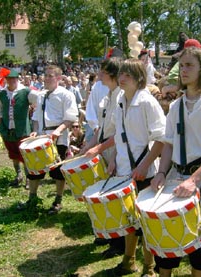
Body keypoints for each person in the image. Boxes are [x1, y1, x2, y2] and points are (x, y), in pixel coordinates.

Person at [150, 46, 201, 277]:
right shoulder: (176, 105)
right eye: (181, 65)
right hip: (175, 180)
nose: (183, 70)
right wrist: (161, 173)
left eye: (189, 65)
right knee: (167, 240)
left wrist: (195, 180)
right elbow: (168, 143)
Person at [107, 59, 166, 277]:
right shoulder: (120, 100)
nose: (122, 78)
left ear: (139, 79)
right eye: (121, 74)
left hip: (146, 172)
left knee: (146, 221)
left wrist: (145, 165)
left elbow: (161, 139)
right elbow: (120, 137)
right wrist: (113, 158)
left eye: (128, 75)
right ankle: (128, 261)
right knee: (128, 219)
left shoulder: (148, 103)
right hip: (124, 171)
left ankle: (149, 269)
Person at [79, 58, 125, 258]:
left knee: (115, 196)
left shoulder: (122, 97)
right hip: (105, 146)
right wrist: (89, 145)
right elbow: (102, 129)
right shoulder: (107, 95)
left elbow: (121, 133)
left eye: (103, 73)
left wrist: (112, 157)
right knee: (105, 193)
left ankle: (119, 243)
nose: (99, 76)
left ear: (113, 74)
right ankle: (109, 234)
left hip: (116, 150)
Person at [17, 65, 78, 214]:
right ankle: (32, 198)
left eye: (51, 75)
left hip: (59, 138)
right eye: (46, 75)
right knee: (34, 169)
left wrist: (56, 133)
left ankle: (58, 200)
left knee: (57, 171)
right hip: (41, 137)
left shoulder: (66, 95)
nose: (47, 78)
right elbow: (36, 117)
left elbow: (70, 119)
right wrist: (34, 131)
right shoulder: (41, 95)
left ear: (58, 78)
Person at [0, 68, 38, 188]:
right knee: (13, 153)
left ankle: (28, 178)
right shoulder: (2, 94)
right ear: (6, 80)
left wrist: (34, 120)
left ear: (17, 79)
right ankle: (18, 175)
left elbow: (38, 102)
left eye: (14, 78)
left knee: (24, 154)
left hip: (22, 129)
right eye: (9, 79)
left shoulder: (26, 92)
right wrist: (1, 124)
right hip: (7, 129)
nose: (12, 81)